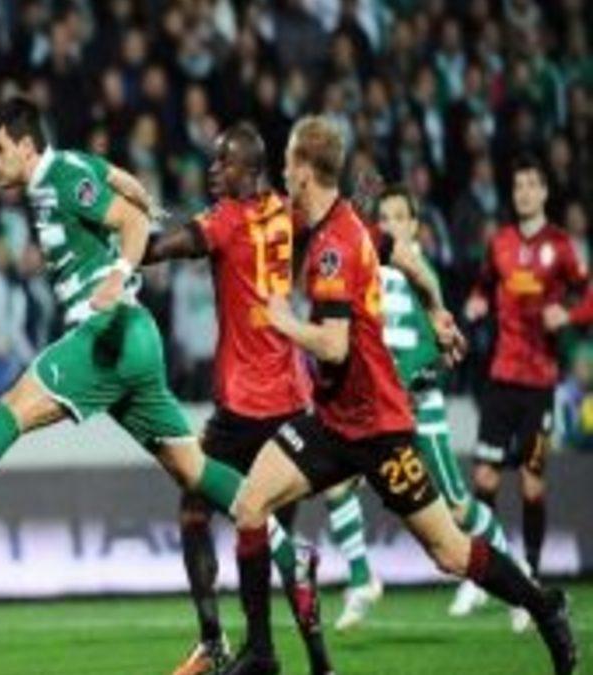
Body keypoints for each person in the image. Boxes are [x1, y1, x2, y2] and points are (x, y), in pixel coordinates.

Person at [0, 98, 317, 668]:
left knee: (12, 407)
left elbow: (130, 221)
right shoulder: (71, 167)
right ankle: (290, 553)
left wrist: (118, 274)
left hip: (106, 335)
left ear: (27, 146)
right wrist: (148, 200)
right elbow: (123, 182)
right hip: (136, 341)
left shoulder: (60, 178)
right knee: (193, 470)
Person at [220, 116, 575, 675]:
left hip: (379, 430)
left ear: (305, 171)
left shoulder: (336, 246)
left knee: (450, 552)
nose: (283, 173)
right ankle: (262, 654)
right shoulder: (347, 223)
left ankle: (544, 607)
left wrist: (283, 322)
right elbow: (407, 258)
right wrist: (436, 309)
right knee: (250, 504)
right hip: (332, 422)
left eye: (288, 162)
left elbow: (334, 345)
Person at [141, 123, 330, 675]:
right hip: (292, 400)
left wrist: (118, 243)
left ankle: (216, 641)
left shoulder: (225, 219)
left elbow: (162, 249)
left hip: (242, 407)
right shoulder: (289, 212)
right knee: (276, 538)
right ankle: (315, 663)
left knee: (195, 510)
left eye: (223, 162)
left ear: (249, 169)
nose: (213, 170)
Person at [322, 185, 518, 631]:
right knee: (336, 488)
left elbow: (434, 342)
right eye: (384, 218)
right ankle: (362, 578)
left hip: (419, 407)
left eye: (399, 218)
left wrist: (406, 377)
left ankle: (515, 578)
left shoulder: (419, 273)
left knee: (458, 508)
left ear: (414, 225)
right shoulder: (373, 272)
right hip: (379, 409)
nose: (390, 225)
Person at [464, 156, 593, 631]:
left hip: (539, 383)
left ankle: (532, 577)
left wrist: (570, 316)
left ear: (544, 192)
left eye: (532, 185)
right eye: (518, 185)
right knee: (484, 479)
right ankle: (481, 575)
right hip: (501, 378)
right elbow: (482, 285)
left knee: (532, 483)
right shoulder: (499, 242)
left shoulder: (561, 246)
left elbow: (588, 295)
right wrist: (477, 302)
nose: (524, 192)